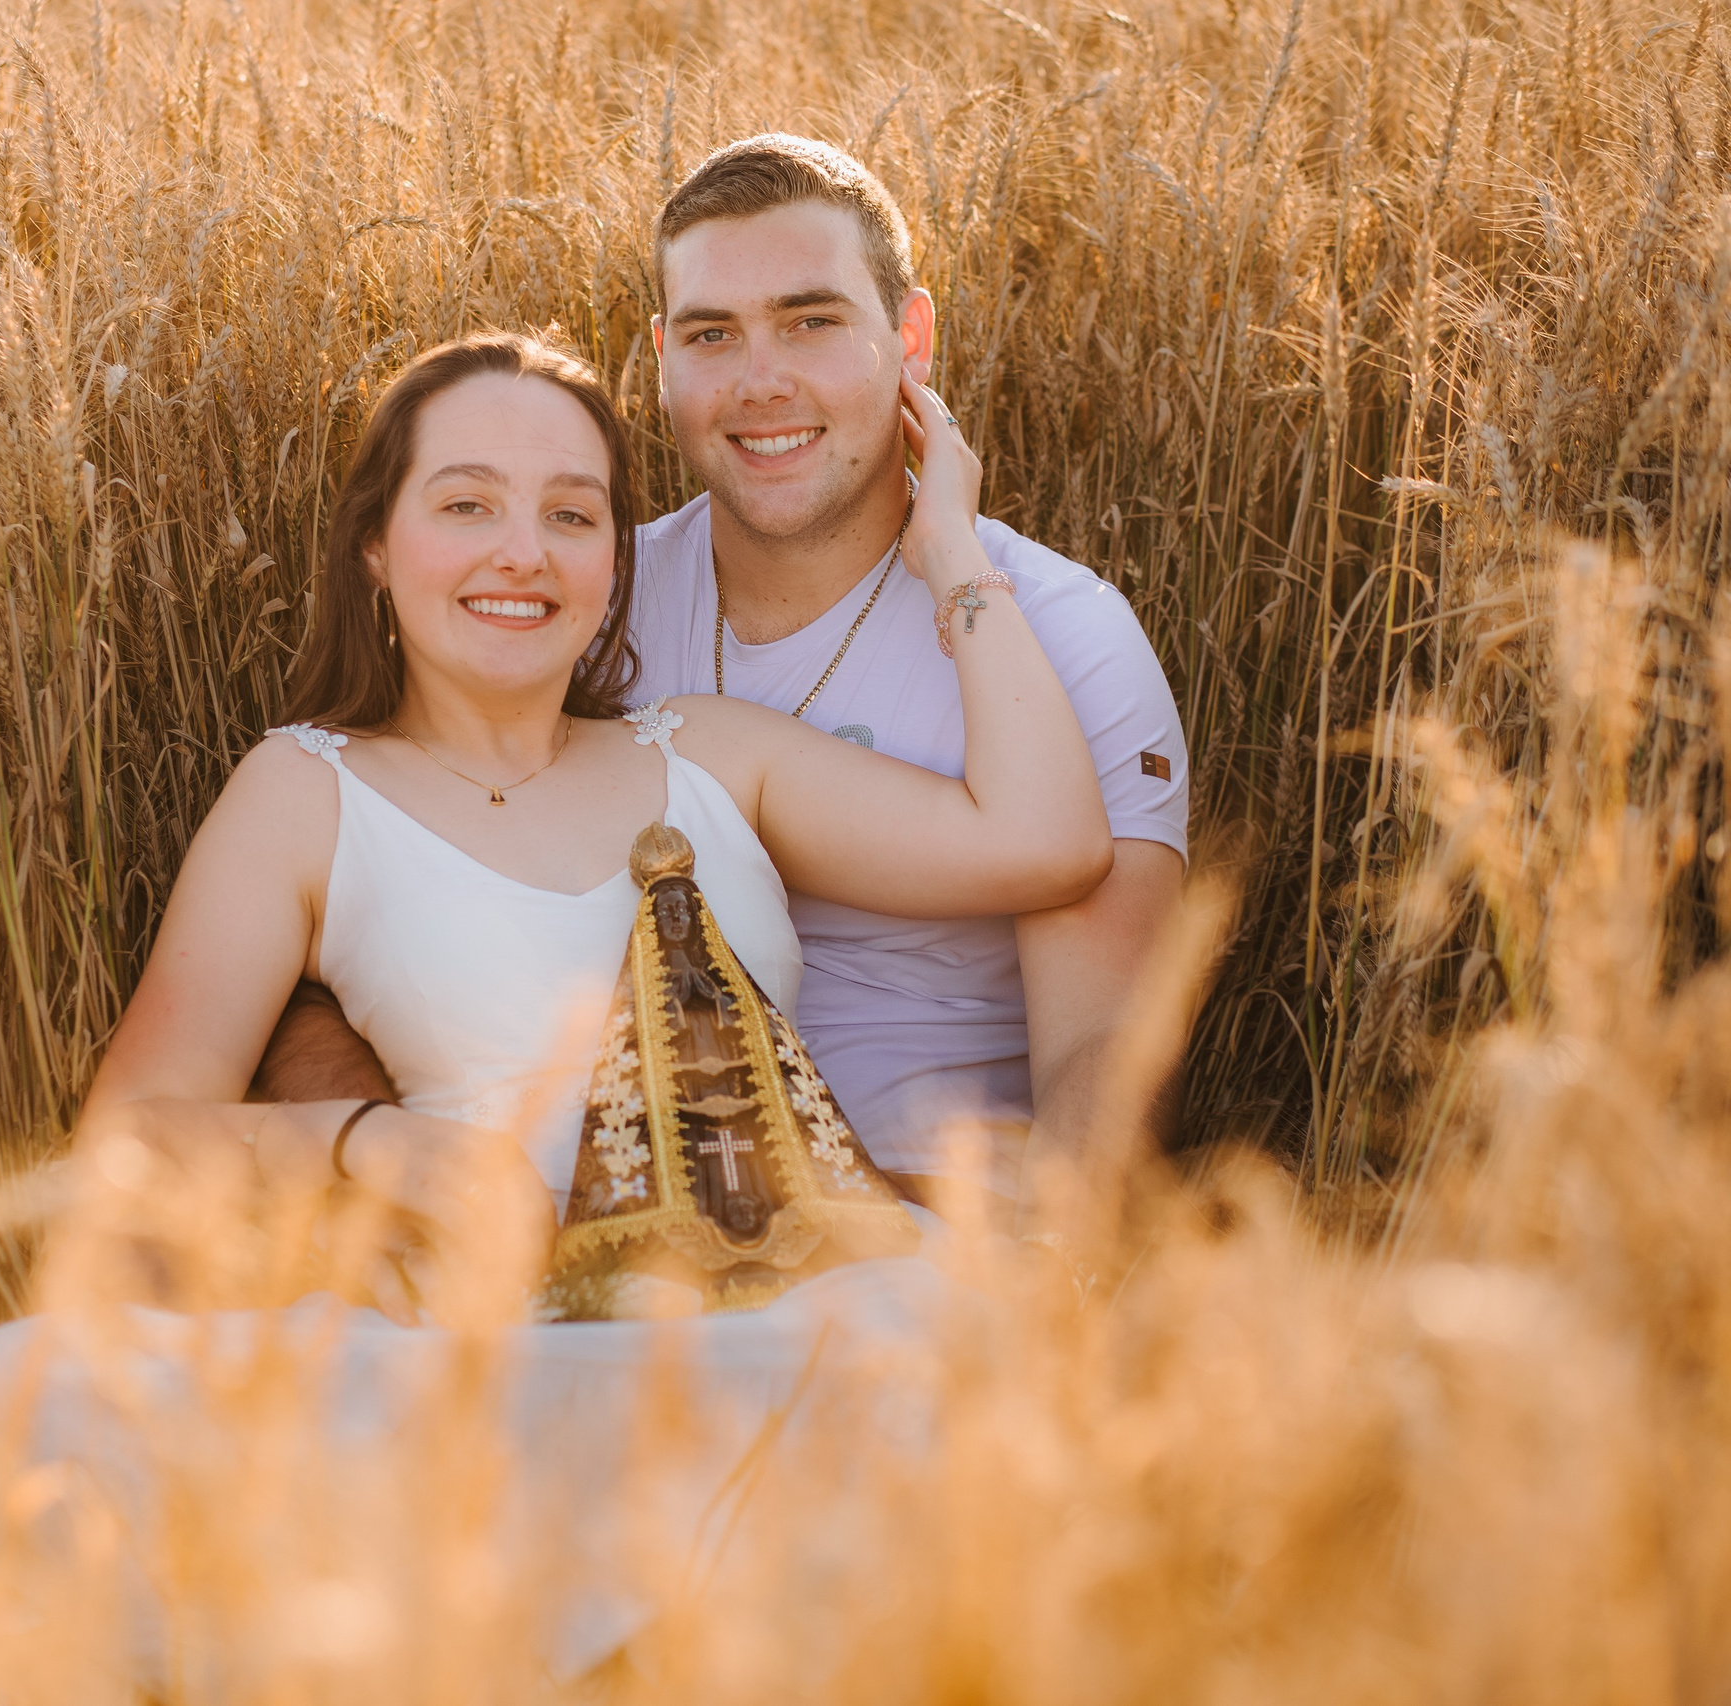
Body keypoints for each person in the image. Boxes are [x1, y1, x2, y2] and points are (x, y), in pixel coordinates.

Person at [59, 329, 1110, 1313]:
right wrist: (365, 1142)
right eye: (466, 506)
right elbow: (131, 1136)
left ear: (614, 561)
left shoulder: (707, 752)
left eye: (571, 514)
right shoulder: (305, 791)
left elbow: (1044, 841)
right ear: (376, 545)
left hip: (816, 1297)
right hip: (515, 1326)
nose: (525, 553)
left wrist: (953, 552)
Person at [259, 135, 1191, 1213]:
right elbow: (338, 896)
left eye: (811, 321)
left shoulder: (1057, 636)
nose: (760, 382)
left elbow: (1106, 1055)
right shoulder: (575, 599)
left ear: (910, 337)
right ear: (659, 358)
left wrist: (1014, 1258)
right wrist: (404, 1172)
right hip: (593, 1220)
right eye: (712, 334)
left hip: (929, 1220)